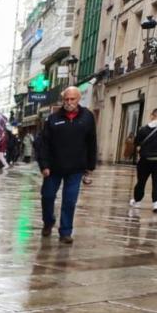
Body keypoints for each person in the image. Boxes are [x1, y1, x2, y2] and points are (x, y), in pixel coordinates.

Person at [37, 86, 97, 244]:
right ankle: (48, 221)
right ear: (63, 100)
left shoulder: (87, 117)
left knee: (70, 201)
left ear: (78, 99)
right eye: (66, 99)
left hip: (76, 167)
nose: (69, 102)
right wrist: (44, 165)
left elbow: (92, 142)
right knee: (47, 196)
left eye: (73, 99)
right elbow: (44, 144)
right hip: (53, 167)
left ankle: (65, 231)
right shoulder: (53, 118)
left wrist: (90, 166)